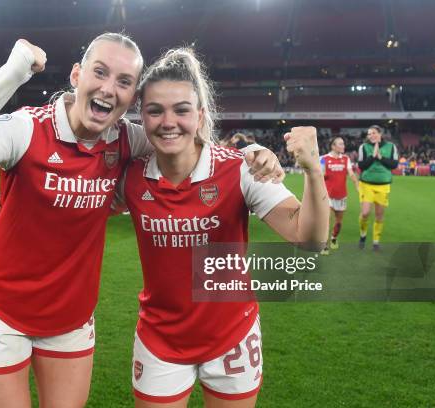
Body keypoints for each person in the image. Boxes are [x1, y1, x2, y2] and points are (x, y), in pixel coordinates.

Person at [0, 34, 284, 408]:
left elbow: (190, 144)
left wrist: (251, 154)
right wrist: (12, 74)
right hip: (0, 309)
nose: (109, 89)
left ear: (132, 97)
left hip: (71, 318)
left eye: (124, 82)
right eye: (100, 72)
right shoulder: (28, 128)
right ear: (77, 75)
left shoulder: (128, 139)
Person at [120, 48, 328, 407]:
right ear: (143, 116)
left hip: (232, 336)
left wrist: (312, 168)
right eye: (155, 110)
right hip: (159, 340)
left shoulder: (240, 169)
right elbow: (77, 205)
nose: (168, 121)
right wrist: (6, 204)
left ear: (200, 115)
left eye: (181, 110)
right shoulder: (130, 177)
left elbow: (309, 238)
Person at [357, 125, 399, 251]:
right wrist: (373, 156)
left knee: (379, 215)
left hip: (383, 185)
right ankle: (363, 235)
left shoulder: (391, 147)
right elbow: (361, 166)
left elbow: (394, 165)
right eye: (369, 134)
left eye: (374, 133)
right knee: (365, 213)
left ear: (380, 134)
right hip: (366, 184)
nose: (371, 136)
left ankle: (376, 241)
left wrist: (380, 157)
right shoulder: (363, 147)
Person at [319, 137, 359, 254]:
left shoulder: (346, 159)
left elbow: (351, 173)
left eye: (343, 144)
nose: (343, 146)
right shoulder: (323, 159)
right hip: (327, 195)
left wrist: (356, 184)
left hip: (341, 195)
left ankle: (334, 238)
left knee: (339, 222)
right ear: (333, 146)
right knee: (327, 220)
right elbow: (320, 175)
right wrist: (323, 173)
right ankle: (324, 245)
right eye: (340, 144)